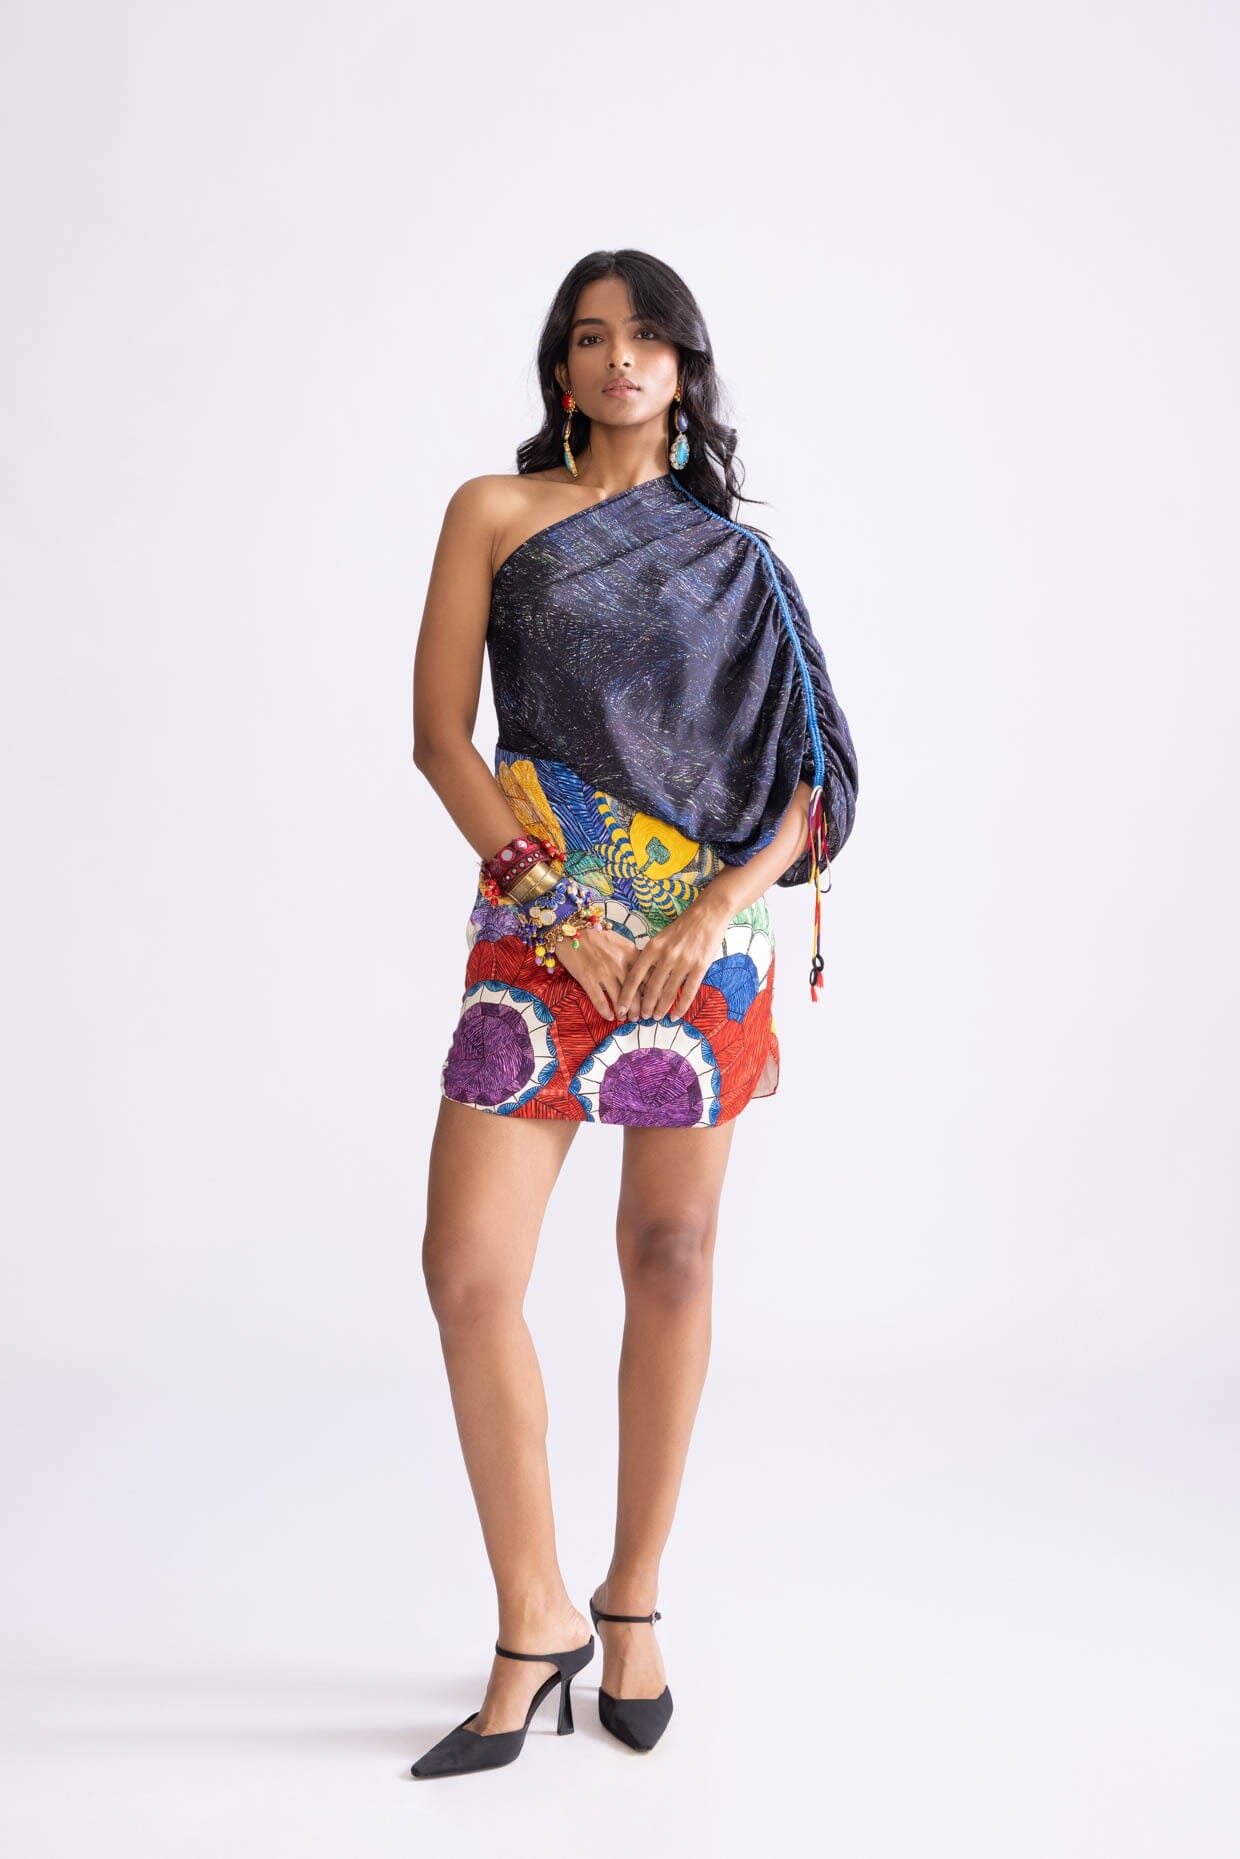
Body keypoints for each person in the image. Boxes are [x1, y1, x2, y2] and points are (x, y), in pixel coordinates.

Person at [408, 250, 858, 1778]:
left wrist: (718, 910)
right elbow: (441, 740)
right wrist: (554, 909)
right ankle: (531, 1619)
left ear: (683, 368)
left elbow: (812, 783)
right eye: (593, 337)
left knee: (671, 1253)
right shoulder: (493, 512)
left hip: (694, 948)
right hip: (540, 923)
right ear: (561, 369)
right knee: (468, 1270)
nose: (621, 357)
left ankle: (633, 1599)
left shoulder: (739, 564)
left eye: (648, 336)